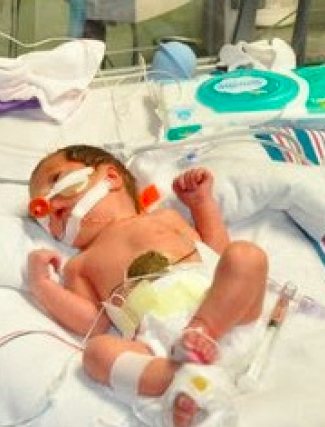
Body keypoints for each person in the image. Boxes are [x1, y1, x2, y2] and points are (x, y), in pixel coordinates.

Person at [25, 145, 268, 427]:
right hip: (160, 345)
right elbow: (94, 322)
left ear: (111, 178)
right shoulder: (80, 265)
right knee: (96, 354)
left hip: (224, 317)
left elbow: (217, 254)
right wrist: (43, 286)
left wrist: (202, 204)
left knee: (244, 256)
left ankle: (201, 334)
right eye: (40, 211)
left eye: (56, 181)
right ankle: (178, 382)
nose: (49, 204)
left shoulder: (164, 218)